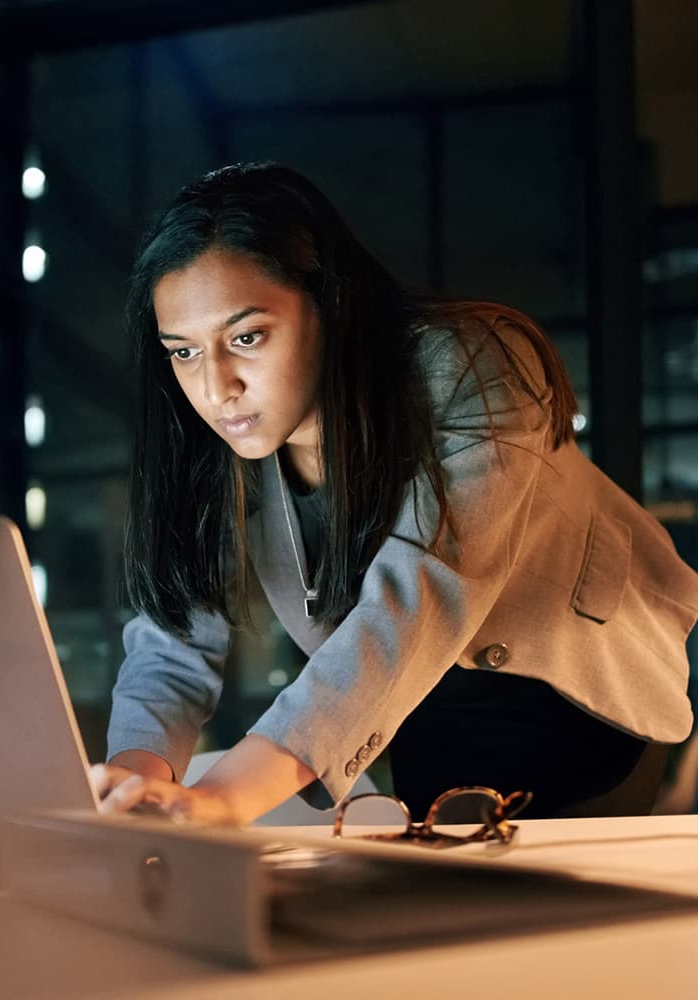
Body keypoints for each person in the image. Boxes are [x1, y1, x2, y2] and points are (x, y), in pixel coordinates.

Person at [89, 162, 698, 825]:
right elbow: (174, 646)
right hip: (421, 714)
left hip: (581, 705)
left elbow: (423, 591)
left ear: (327, 301)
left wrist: (223, 797)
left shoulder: (469, 367)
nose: (216, 386)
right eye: (183, 352)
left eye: (246, 336)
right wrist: (132, 788)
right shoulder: (221, 446)